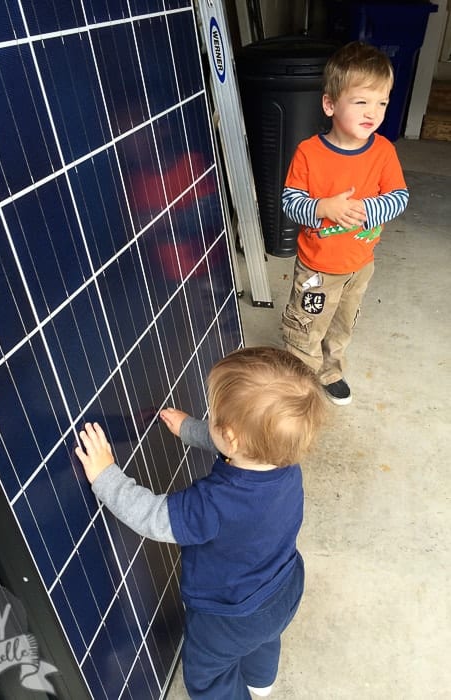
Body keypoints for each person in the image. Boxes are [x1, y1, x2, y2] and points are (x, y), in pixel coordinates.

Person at [75, 346, 326, 699]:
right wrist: (192, 429)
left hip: (228, 615)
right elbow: (241, 446)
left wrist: (105, 476)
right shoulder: (285, 463)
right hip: (285, 586)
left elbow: (153, 518)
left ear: (232, 436)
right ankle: (260, 681)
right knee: (264, 636)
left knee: (209, 677)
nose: (210, 421)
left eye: (213, 417)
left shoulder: (214, 503)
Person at [281, 41, 409, 406]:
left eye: (381, 102)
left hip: (359, 265)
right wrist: (324, 207)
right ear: (330, 104)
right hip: (317, 267)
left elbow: (399, 197)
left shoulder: (384, 151)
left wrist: (367, 209)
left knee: (341, 325)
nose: (374, 112)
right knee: (306, 326)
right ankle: (298, 382)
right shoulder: (310, 152)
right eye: (361, 101)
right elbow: (291, 202)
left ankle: (331, 370)